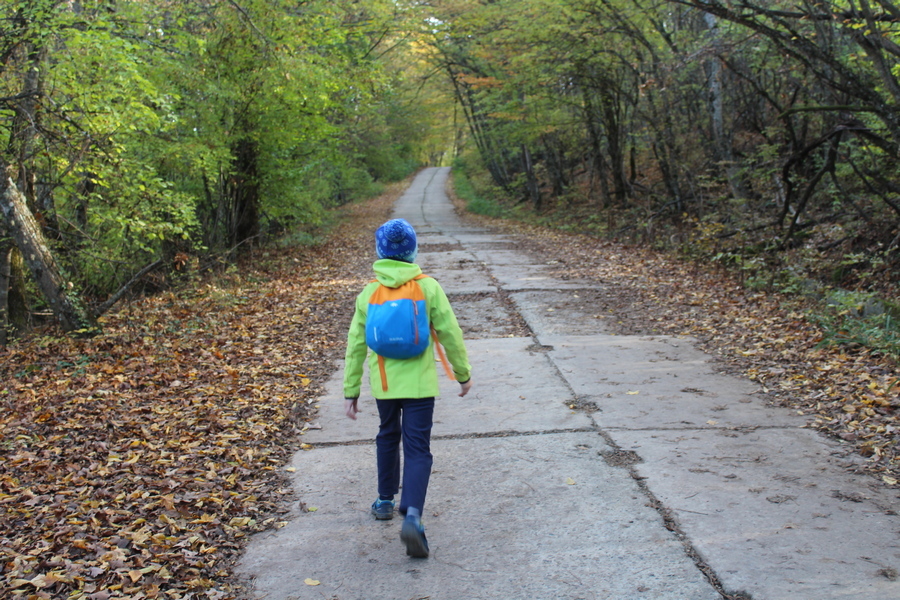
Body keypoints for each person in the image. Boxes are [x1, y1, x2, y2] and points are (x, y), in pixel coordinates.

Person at [343, 218, 472, 558]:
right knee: (417, 448)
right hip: (420, 387)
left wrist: (351, 389)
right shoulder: (428, 287)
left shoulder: (369, 293)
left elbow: (356, 344)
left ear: (379, 253)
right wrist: (463, 374)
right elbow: (450, 334)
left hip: (384, 385)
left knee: (388, 435)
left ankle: (385, 501)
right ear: (413, 250)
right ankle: (412, 514)